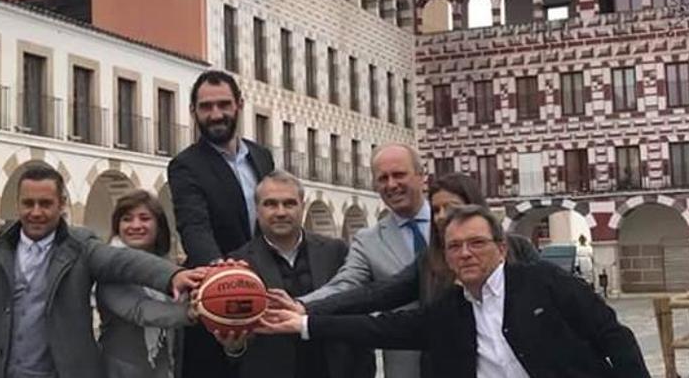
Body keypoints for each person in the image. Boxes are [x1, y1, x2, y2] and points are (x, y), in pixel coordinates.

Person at [259, 204, 650, 378]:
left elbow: (613, 335)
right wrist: (305, 323)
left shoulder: (545, 284)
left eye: (476, 243)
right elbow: (380, 327)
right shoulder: (448, 311)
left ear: (501, 248)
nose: (465, 253)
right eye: (454, 246)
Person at [0, 166, 204, 378]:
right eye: (28, 203)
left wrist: (172, 276)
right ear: (18, 204)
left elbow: (124, 261)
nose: (36, 212)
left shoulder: (82, 248)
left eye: (45, 203)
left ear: (61, 204)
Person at [288, 172, 539, 318]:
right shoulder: (430, 262)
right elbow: (375, 295)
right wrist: (304, 308)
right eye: (436, 209)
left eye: (450, 207)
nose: (441, 216)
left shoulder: (519, 250)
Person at [216, 170, 375, 378]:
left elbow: (357, 313)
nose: (281, 212)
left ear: (303, 205)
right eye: (270, 204)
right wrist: (234, 348)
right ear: (257, 209)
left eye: (289, 203)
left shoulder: (336, 251)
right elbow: (234, 344)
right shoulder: (238, 264)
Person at [168, 70, 274, 378]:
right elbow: (194, 226)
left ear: (239, 105)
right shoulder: (185, 165)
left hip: (266, 293)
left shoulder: (262, 156)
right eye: (206, 106)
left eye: (224, 104)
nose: (216, 114)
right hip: (219, 299)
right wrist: (226, 279)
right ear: (193, 111)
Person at [294, 143, 431, 378]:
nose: (391, 185)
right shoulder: (368, 240)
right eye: (382, 178)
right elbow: (345, 285)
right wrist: (297, 306)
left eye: (399, 175)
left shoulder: (452, 225)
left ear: (421, 176)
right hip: (406, 366)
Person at [97, 190, 194, 378]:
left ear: (159, 226)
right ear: (117, 226)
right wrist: (191, 312)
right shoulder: (109, 271)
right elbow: (141, 311)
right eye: (127, 219)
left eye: (144, 218)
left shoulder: (172, 269)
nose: (135, 225)